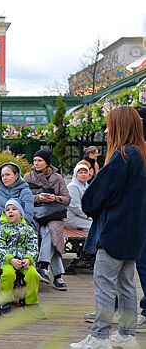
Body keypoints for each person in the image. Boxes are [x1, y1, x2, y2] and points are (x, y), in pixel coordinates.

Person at [71, 106, 146, 349]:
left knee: (104, 284)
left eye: (109, 125)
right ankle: (126, 334)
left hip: (114, 230)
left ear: (119, 127)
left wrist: (96, 204)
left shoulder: (122, 156)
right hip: (135, 232)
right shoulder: (142, 155)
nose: (107, 129)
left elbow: (93, 197)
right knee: (126, 284)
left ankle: (99, 337)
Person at [0, 199, 45, 319]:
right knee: (8, 275)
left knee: (33, 274)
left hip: (24, 261)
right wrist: (10, 259)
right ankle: (4, 301)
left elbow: (33, 247)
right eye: (7, 210)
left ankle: (32, 302)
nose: (10, 212)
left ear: (21, 213)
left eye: (14, 209)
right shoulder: (1, 229)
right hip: (7, 261)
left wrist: (29, 259)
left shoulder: (29, 230)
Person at [24, 149, 70, 291]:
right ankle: (57, 276)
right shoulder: (28, 177)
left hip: (53, 214)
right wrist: (38, 198)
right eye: (35, 160)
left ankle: (43, 266)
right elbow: (23, 198)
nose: (36, 163)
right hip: (35, 214)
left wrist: (55, 198)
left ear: (47, 163)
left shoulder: (58, 178)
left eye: (40, 160)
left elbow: (67, 199)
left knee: (50, 231)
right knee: (45, 233)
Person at [0, 162, 34, 229]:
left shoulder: (25, 192)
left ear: (16, 176)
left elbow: (28, 215)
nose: (4, 178)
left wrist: (14, 230)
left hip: (22, 229)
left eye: (7, 174)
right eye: (2, 176)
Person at [64, 164, 92, 231]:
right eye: (80, 173)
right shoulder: (73, 186)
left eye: (85, 173)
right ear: (75, 175)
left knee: (100, 223)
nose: (83, 174)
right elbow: (75, 207)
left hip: (80, 216)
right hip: (71, 218)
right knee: (95, 225)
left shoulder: (84, 186)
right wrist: (89, 217)